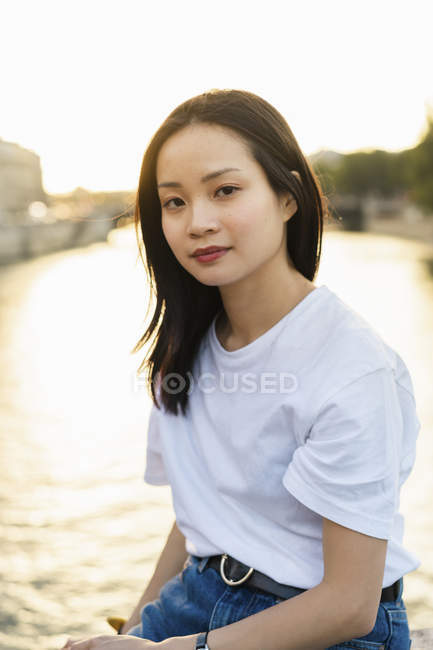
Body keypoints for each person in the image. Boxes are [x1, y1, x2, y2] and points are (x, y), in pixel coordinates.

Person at [62, 89, 421, 650]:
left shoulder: (351, 367)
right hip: (196, 596)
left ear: (288, 197)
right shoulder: (184, 347)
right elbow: (199, 516)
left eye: (225, 191)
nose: (197, 221)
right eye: (174, 202)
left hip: (316, 626)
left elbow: (350, 605)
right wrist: (133, 632)